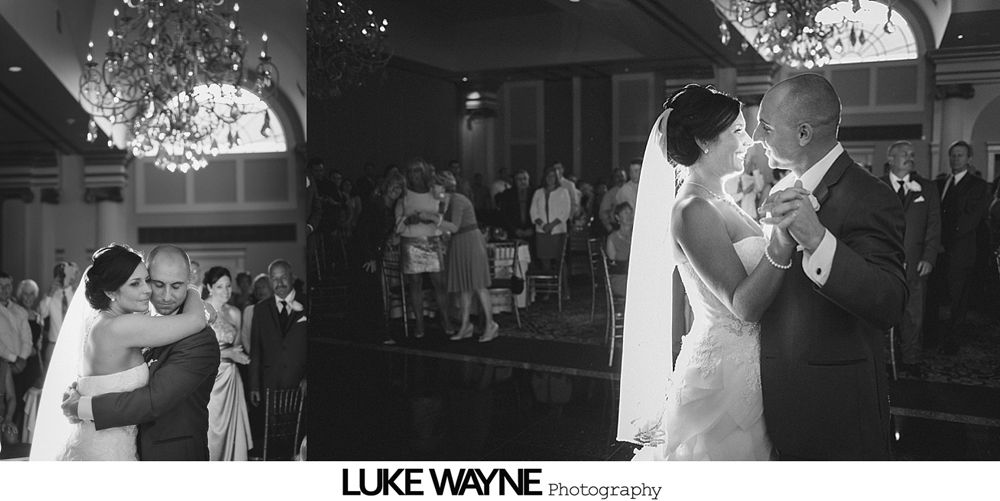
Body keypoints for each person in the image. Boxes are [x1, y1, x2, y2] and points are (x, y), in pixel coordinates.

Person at [623, 84, 795, 461]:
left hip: (751, 366)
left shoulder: (721, 199)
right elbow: (744, 306)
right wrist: (783, 238)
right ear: (703, 141)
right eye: (737, 130)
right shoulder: (693, 209)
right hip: (723, 381)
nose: (749, 140)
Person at [755, 74, 907, 460]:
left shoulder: (870, 194)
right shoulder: (781, 188)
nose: (758, 136)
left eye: (767, 126)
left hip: (837, 408)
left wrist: (819, 242)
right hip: (780, 397)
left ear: (804, 133)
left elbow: (889, 302)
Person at [33, 244, 217, 460]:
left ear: (187, 281)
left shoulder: (199, 339)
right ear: (111, 291)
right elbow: (194, 319)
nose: (163, 295)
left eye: (177, 286)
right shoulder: (127, 326)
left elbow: (153, 400)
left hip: (172, 454)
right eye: (155, 284)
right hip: (111, 448)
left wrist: (83, 405)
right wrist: (194, 294)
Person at [880, 141, 941, 376]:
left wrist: (929, 257)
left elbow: (934, 227)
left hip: (916, 262)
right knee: (883, 310)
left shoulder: (927, 188)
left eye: (912, 154)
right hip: (884, 263)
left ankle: (911, 359)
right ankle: (884, 357)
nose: (910, 157)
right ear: (891, 158)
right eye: (904, 154)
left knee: (914, 313)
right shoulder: (877, 185)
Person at [932, 140, 989, 354]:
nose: (956, 159)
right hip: (939, 250)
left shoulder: (978, 185)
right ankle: (935, 336)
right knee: (938, 295)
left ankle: (953, 340)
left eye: (960, 155)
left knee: (958, 299)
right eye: (953, 155)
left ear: (969, 159)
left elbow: (969, 220)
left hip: (961, 251)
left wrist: (944, 243)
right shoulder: (942, 183)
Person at [431, 171, 500, 343]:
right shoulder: (442, 203)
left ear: (443, 186)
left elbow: (453, 226)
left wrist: (433, 220)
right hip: (458, 243)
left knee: (478, 284)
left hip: (470, 241)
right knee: (464, 287)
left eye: (434, 185)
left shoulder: (458, 199)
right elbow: (448, 229)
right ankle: (465, 325)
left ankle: (491, 325)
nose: (431, 188)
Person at [395, 159, 456, 338]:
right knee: (415, 284)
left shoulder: (435, 192)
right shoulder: (404, 195)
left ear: (424, 173)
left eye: (418, 171)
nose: (415, 175)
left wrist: (432, 217)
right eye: (412, 172)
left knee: (440, 283)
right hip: (411, 241)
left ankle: (445, 320)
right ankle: (419, 324)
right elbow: (398, 222)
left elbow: (445, 209)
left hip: (432, 240)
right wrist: (409, 220)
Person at [202, 266, 252, 460]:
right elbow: (198, 353)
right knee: (212, 429)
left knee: (232, 430)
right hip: (210, 379)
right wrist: (227, 354)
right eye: (220, 286)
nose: (226, 291)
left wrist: (238, 356)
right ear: (209, 287)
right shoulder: (201, 310)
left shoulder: (235, 313)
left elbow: (237, 347)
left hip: (231, 378)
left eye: (229, 286)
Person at [530, 166, 572, 275]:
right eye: (548, 176)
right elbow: (533, 212)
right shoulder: (538, 192)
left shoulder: (563, 191)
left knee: (560, 262)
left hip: (558, 231)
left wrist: (551, 225)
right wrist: (543, 225)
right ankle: (549, 289)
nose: (550, 178)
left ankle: (563, 288)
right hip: (542, 231)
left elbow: (565, 212)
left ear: (557, 178)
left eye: (553, 176)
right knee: (545, 261)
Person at [39, 261, 79, 370]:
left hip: (74, 345)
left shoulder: (78, 295)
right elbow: (42, 314)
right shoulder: (50, 296)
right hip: (54, 345)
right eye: (60, 274)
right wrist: (50, 294)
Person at [605, 202, 633, 298]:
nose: (629, 216)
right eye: (625, 213)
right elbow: (614, 266)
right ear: (618, 217)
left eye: (631, 212)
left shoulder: (637, 237)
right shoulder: (612, 238)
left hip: (636, 277)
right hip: (621, 279)